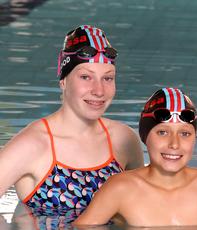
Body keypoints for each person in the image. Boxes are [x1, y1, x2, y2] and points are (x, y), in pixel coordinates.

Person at [0, 25, 143, 214]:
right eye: (85, 77)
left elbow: (140, 207)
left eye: (107, 78)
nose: (99, 91)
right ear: (64, 81)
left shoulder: (124, 139)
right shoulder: (33, 144)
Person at [74, 87, 197, 226]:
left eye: (185, 133)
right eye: (162, 132)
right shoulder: (120, 189)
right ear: (145, 137)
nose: (174, 144)